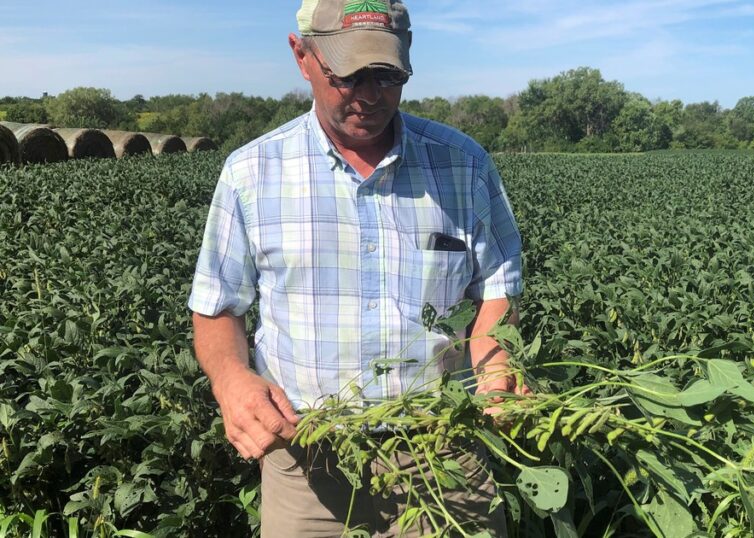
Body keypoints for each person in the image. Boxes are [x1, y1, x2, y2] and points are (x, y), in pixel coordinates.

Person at [187, 0, 526, 535]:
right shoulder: (251, 173)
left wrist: (494, 362)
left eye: (387, 75)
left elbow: (497, 288)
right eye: (347, 74)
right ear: (303, 57)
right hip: (306, 459)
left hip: (445, 448)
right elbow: (217, 306)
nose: (369, 94)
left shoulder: (463, 165)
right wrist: (232, 381)